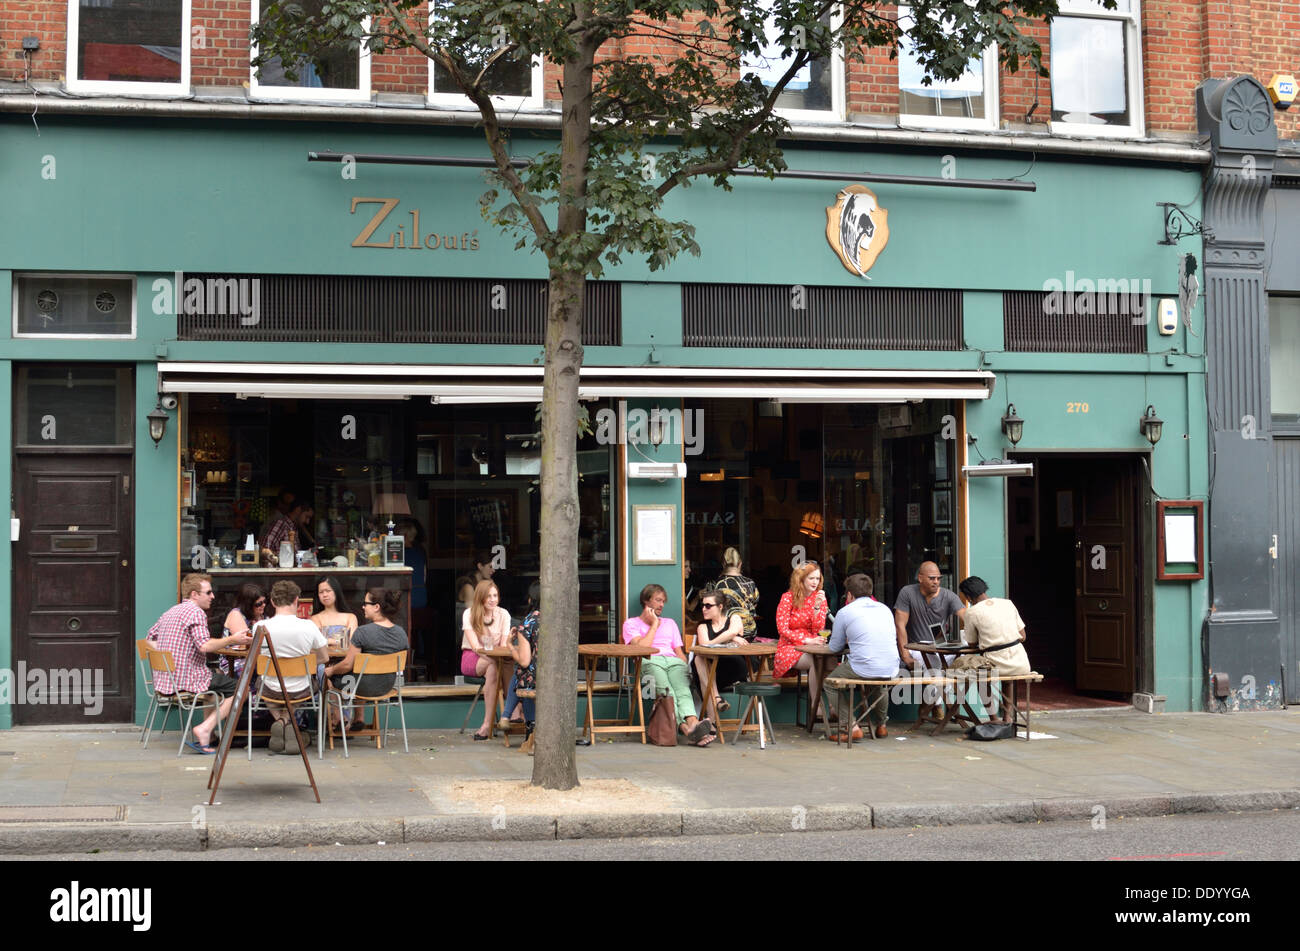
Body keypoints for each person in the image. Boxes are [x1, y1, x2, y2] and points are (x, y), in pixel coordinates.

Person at [147, 573, 251, 754]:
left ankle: (209, 736)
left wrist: (170, 657)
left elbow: (149, 638)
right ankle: (204, 728)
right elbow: (205, 646)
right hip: (188, 678)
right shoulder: (195, 613)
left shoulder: (171, 611)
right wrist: (232, 639)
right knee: (243, 688)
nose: (213, 596)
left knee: (215, 694)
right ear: (194, 594)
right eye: (208, 592)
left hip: (166, 680)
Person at [623, 583, 715, 747]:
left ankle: (693, 723)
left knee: (683, 691)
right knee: (668, 693)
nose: (661, 605)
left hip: (673, 662)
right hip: (649, 660)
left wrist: (682, 664)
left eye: (663, 601)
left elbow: (679, 652)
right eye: (658, 600)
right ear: (646, 601)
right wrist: (654, 625)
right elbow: (642, 649)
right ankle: (687, 729)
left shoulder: (670, 623)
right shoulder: (631, 624)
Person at [820, 573, 899, 741]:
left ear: (849, 595)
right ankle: (882, 726)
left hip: (863, 666)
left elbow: (835, 647)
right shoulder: (885, 609)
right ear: (870, 592)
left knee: (829, 683)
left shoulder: (845, 612)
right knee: (880, 683)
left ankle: (851, 726)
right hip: (891, 666)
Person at [255, 579, 328, 754]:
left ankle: (280, 721)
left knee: (261, 682)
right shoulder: (308, 626)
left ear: (272, 602)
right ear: (297, 600)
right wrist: (304, 664)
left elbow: (257, 659)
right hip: (301, 690)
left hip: (270, 689)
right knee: (306, 684)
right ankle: (289, 723)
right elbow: (324, 657)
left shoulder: (260, 626)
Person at [326, 587, 408, 732]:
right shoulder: (401, 633)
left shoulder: (363, 632)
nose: (363, 606)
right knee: (360, 674)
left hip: (361, 687)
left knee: (332, 678)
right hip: (387, 687)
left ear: (376, 607)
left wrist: (330, 670)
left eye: (366, 603)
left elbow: (346, 665)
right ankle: (358, 718)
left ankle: (340, 719)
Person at [958, 576, 1032, 723]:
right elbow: (1023, 636)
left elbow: (972, 643)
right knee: (1008, 680)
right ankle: (1007, 716)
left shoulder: (972, 613)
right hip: (1020, 662)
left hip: (996, 663)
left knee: (980, 679)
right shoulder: (1008, 604)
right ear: (984, 588)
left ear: (968, 596)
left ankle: (993, 718)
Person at [461, 579, 512, 740]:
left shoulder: (503, 614)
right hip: (472, 656)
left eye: (495, 595)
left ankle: (486, 725)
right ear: (480, 597)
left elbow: (503, 646)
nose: (492, 599)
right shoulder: (469, 613)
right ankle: (515, 710)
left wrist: (495, 657)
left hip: (496, 660)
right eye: (488, 596)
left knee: (493, 669)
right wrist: (493, 658)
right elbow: (476, 646)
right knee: (495, 664)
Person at [773, 561, 829, 704]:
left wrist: (817, 608)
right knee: (815, 661)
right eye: (811, 578)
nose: (815, 582)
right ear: (801, 578)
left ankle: (833, 708)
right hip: (789, 646)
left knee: (829, 661)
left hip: (813, 645)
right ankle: (817, 708)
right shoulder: (787, 598)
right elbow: (782, 629)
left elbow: (818, 630)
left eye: (818, 578)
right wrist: (807, 640)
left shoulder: (820, 599)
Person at [894, 561, 965, 670]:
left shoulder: (948, 596)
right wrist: (906, 657)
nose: (936, 582)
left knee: (964, 661)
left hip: (940, 647)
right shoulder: (907, 592)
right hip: (916, 648)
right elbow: (900, 626)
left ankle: (945, 687)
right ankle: (940, 687)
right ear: (920, 578)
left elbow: (967, 617)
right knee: (935, 664)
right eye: (932, 578)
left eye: (938, 578)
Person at [692, 586, 747, 715]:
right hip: (713, 669)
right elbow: (704, 647)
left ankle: (712, 722)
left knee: (702, 668)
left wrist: (731, 635)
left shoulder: (734, 618)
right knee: (700, 660)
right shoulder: (702, 627)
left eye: (708, 606)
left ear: (720, 607)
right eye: (703, 605)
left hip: (733, 668)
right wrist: (729, 638)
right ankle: (717, 702)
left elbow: (732, 631)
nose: (703, 609)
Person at [500, 582, 540, 754]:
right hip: (561, 677)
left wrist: (510, 644)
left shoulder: (528, 623)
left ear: (530, 600)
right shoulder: (560, 620)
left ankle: (529, 728)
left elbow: (524, 660)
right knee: (524, 675)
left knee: (522, 672)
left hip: (537, 678)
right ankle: (511, 717)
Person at [397, 518, 430, 675]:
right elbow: (424, 576)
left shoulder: (401, 553)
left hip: (410, 596)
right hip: (421, 595)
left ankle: (407, 660)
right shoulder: (420, 551)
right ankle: (418, 654)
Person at [714, 547, 760, 642]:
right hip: (749, 632)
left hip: (725, 633)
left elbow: (712, 610)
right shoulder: (750, 583)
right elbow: (754, 604)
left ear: (723, 564)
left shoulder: (716, 584)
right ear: (740, 563)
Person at [221, 582, 265, 676]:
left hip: (252, 658)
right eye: (259, 603)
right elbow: (247, 640)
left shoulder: (258, 615)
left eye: (265, 602)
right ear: (248, 604)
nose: (263, 605)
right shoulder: (236, 614)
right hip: (234, 661)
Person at [311, 576, 357, 648]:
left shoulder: (350, 617)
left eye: (328, 591)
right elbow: (318, 642)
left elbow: (351, 641)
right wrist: (341, 641)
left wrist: (328, 641)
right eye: (321, 592)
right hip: (324, 659)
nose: (325, 595)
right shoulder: (315, 618)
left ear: (336, 591)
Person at [259, 499, 305, 565]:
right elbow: (264, 549)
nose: (307, 521)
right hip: (278, 572)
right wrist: (281, 557)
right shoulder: (281, 524)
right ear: (298, 510)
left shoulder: (293, 528)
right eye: (307, 517)